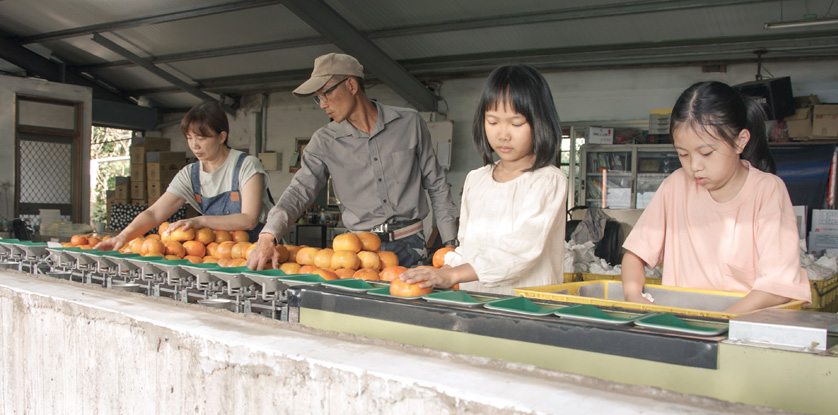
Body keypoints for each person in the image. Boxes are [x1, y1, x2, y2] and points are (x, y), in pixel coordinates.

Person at [246, 53, 458, 270]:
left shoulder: (409, 123)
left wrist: (450, 244)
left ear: (351, 85)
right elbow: (299, 191)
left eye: (326, 94)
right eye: (317, 97)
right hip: (357, 254)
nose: (322, 104)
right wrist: (268, 235)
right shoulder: (324, 141)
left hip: (411, 245)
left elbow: (437, 185)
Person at [621, 81, 811, 314]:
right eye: (683, 154)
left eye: (706, 153)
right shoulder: (676, 186)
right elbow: (635, 255)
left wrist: (720, 320)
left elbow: (777, 286)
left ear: (740, 141)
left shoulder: (767, 191)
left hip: (744, 330)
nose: (694, 166)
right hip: (681, 326)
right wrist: (632, 294)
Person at [399, 64, 567, 295]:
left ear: (540, 122)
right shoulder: (476, 179)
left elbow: (521, 249)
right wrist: (445, 269)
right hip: (477, 303)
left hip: (527, 310)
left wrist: (452, 274)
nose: (503, 134)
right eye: (492, 121)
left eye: (516, 123)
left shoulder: (548, 181)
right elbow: (468, 244)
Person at [97, 101, 273, 250]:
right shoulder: (190, 175)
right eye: (189, 138)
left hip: (259, 250)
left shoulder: (246, 165)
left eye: (201, 138)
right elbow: (153, 214)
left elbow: (249, 219)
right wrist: (124, 236)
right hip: (220, 254)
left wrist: (200, 221)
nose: (194, 145)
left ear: (221, 137)